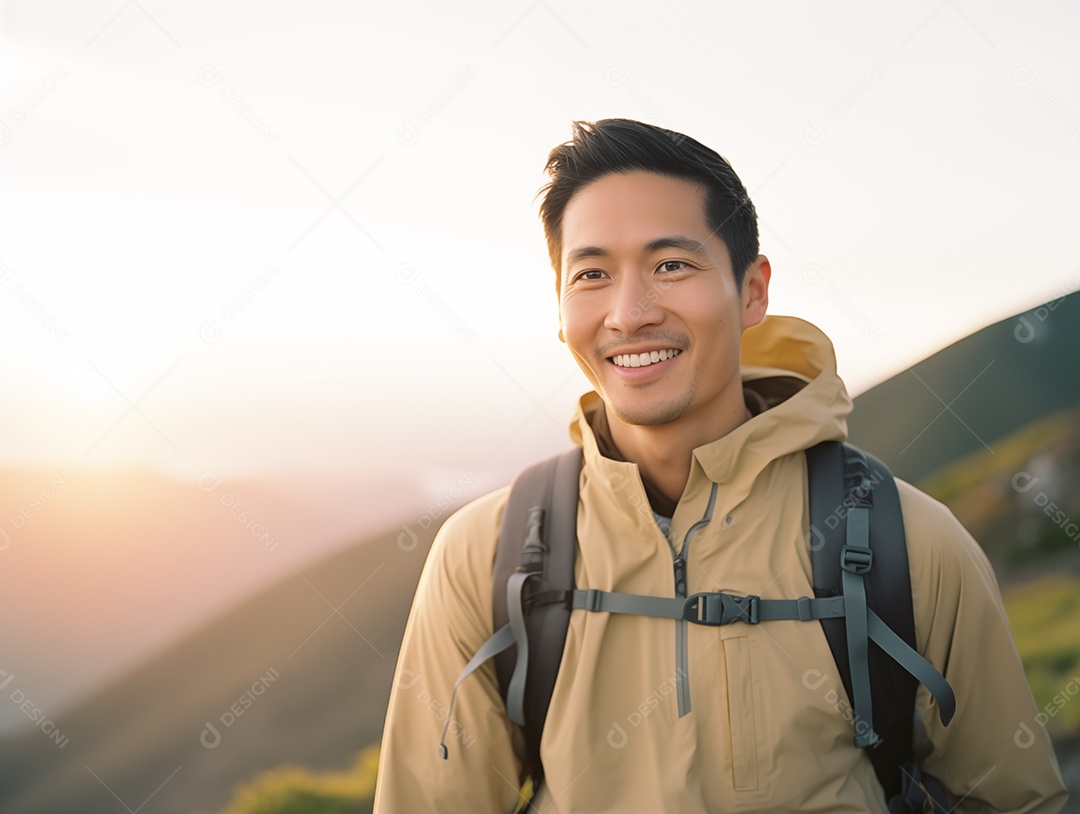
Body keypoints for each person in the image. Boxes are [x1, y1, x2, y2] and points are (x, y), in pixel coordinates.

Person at [373, 118, 1067, 813]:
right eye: (591, 274)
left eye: (671, 265)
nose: (629, 313)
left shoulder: (910, 542)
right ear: (560, 308)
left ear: (754, 291)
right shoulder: (485, 553)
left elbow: (1014, 801)